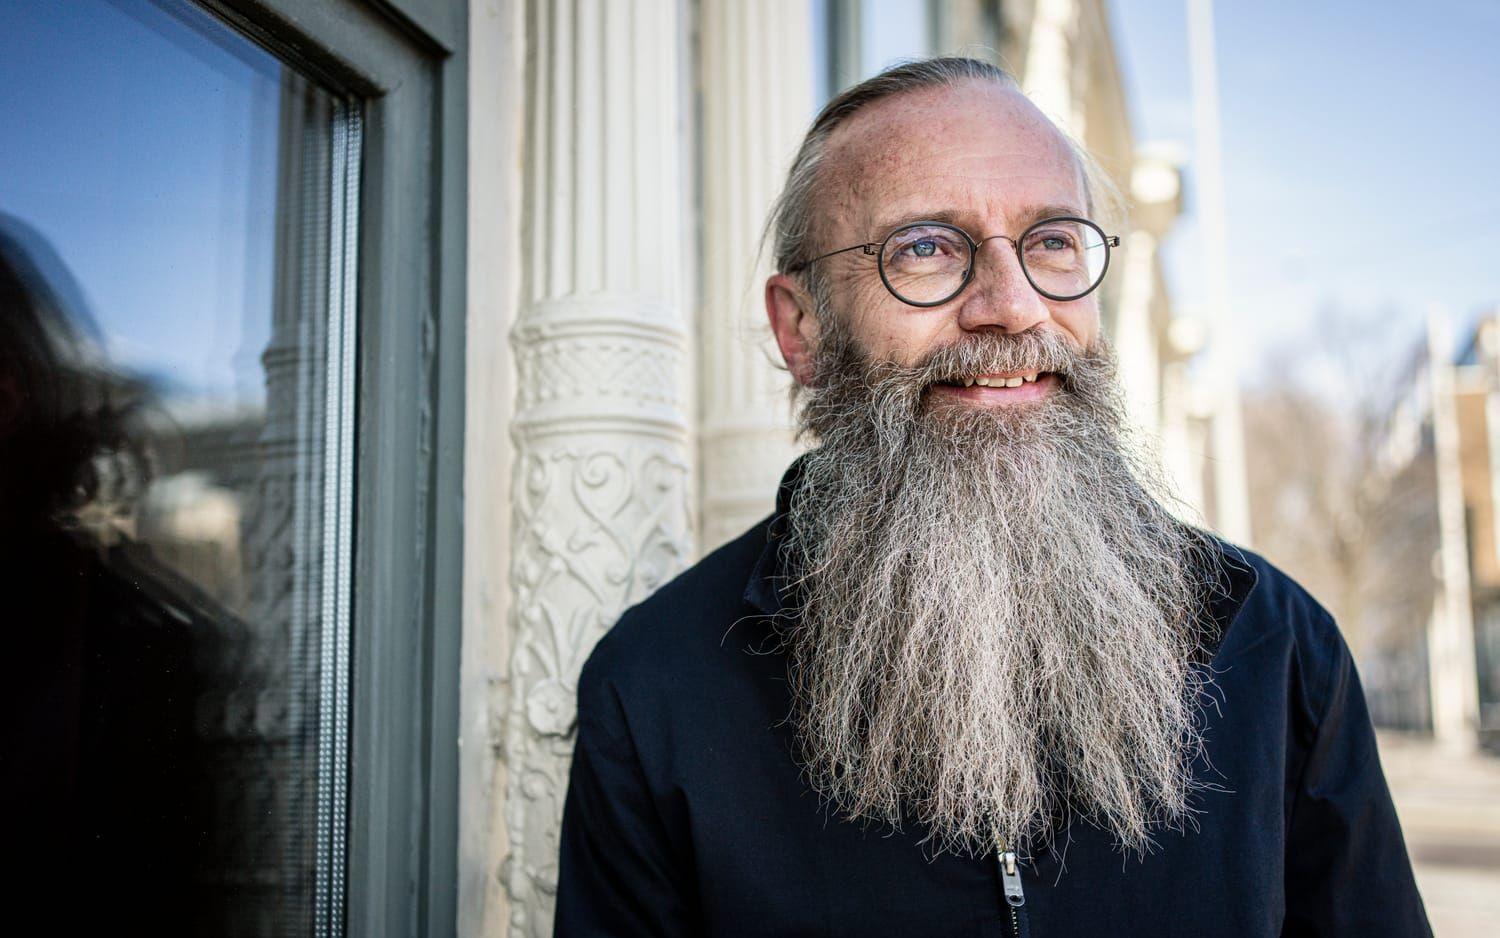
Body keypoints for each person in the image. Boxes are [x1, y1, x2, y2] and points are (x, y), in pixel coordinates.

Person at [554, 57, 1430, 937]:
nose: (1014, 308)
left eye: (1052, 240)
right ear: (803, 329)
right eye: (927, 248)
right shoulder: (657, 694)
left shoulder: (1278, 651)